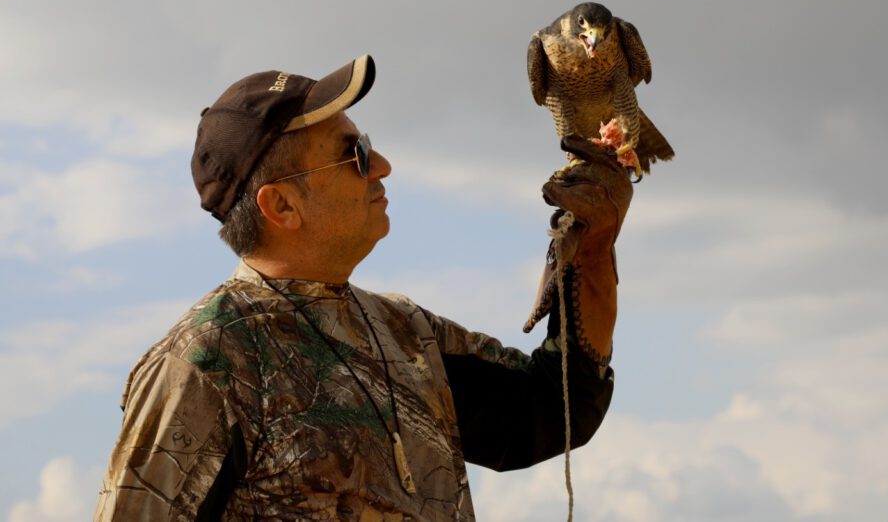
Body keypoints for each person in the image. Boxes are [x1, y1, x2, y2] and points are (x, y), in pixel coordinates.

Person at [94, 54, 632, 521]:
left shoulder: (407, 333)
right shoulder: (204, 363)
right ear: (281, 205)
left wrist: (591, 247)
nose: (382, 165)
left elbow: (557, 406)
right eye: (354, 153)